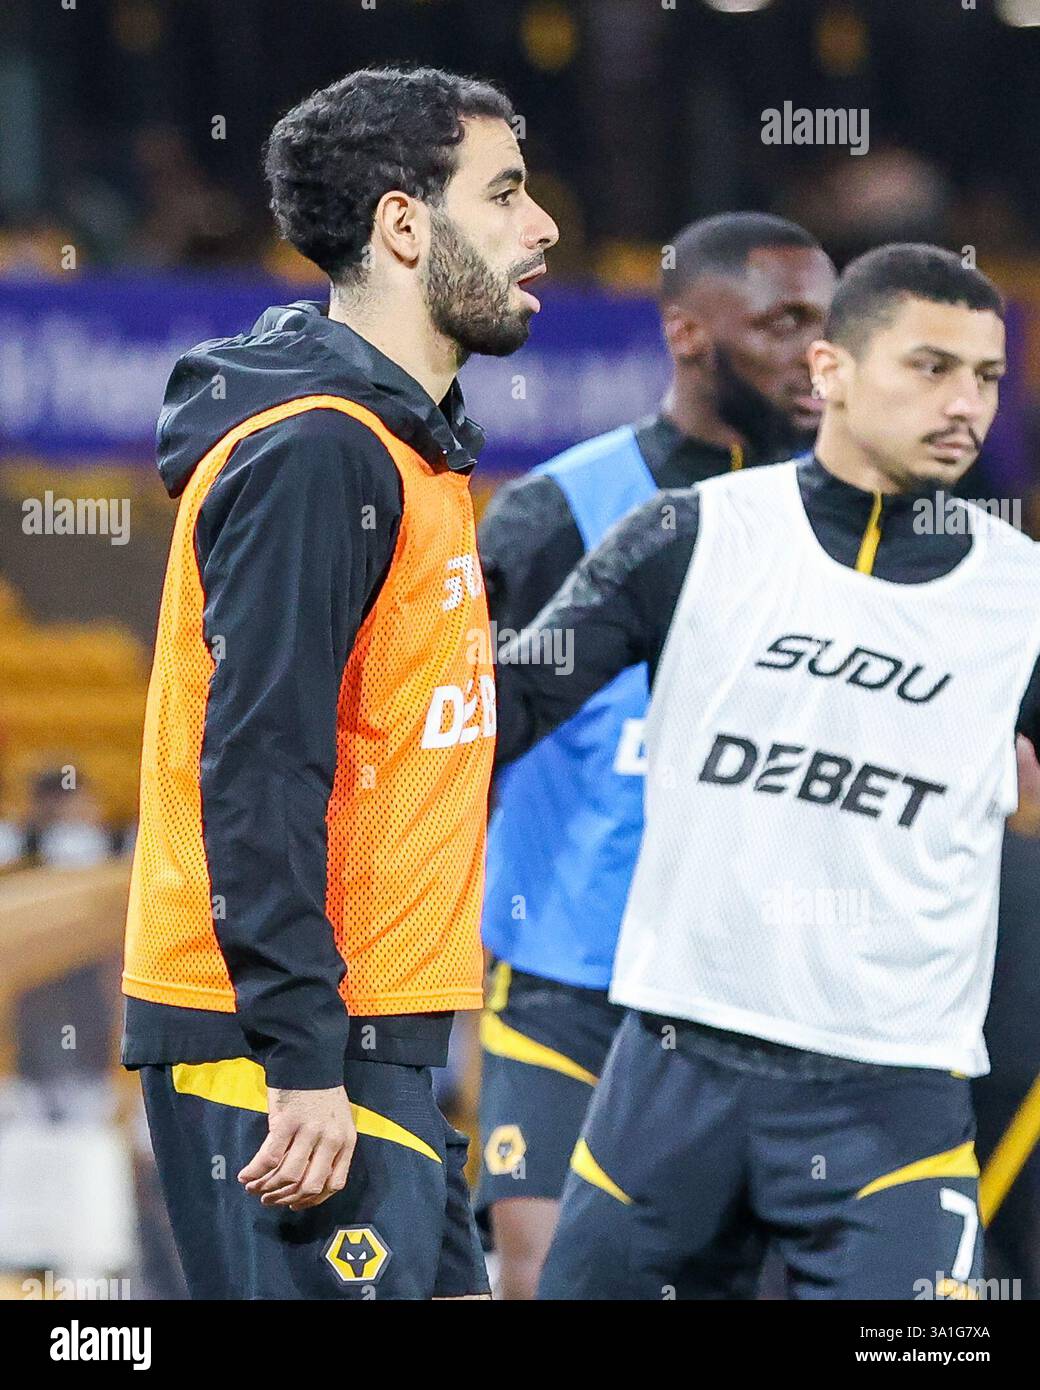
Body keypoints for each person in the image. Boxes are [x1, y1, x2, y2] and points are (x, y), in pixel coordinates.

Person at [495, 243, 1040, 1299]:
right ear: (830, 371)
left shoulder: (1022, 599)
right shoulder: (691, 535)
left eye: (983, 376)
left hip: (893, 1106)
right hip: (671, 1070)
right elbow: (501, 710)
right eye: (927, 367)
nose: (963, 402)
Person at [120, 65, 558, 1300]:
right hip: (291, 1053)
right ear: (403, 226)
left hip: (373, 1042)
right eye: (508, 193)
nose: (543, 229)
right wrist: (301, 1054)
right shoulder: (321, 450)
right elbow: (257, 768)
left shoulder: (403, 449)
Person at [475, 212, 836, 1298]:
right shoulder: (553, 514)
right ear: (687, 332)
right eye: (782, 321)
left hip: (758, 984)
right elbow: (453, 733)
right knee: (543, 1275)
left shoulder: (853, 526)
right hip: (566, 979)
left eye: (830, 322)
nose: (814, 350)